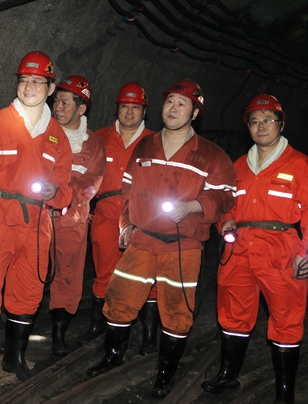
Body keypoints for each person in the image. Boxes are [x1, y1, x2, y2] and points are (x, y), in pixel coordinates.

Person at [87, 79, 236, 399]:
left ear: (195, 113)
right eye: (169, 102)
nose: (173, 108)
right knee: (119, 299)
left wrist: (193, 206)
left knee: (177, 311)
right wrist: (125, 226)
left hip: (183, 246)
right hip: (142, 240)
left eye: (182, 104)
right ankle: (112, 358)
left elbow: (225, 197)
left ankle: (165, 375)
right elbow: (128, 190)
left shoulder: (211, 155)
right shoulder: (145, 147)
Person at [0, 51, 72, 386]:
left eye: (37, 81)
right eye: (24, 80)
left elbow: (65, 183)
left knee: (29, 289)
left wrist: (55, 191)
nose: (30, 86)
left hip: (36, 223)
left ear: (51, 88)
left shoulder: (56, 135)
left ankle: (14, 357)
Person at [202, 94, 308, 403]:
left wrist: (306, 254)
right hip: (239, 252)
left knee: (286, 320)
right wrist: (226, 223)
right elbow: (226, 205)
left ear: (281, 124)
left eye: (268, 120)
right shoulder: (238, 166)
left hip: (282, 252)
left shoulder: (300, 165)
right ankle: (228, 375)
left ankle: (284, 391)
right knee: (233, 315)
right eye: (254, 121)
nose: (261, 126)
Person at [81, 82, 159, 355]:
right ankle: (98, 326)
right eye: (125, 106)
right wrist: (83, 204)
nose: (129, 112)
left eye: (135, 107)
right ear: (117, 108)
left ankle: (149, 334)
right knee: (104, 271)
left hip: (142, 214)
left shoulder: (155, 141)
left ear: (144, 111)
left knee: (146, 275)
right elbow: (84, 172)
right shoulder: (99, 137)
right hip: (106, 211)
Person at [48, 75, 105, 356]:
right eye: (56, 101)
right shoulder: (41, 132)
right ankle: (18, 331)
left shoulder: (93, 144)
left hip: (71, 218)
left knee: (67, 275)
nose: (58, 107)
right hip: (36, 215)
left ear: (81, 109)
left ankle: (58, 335)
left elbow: (92, 181)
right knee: (29, 271)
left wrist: (65, 196)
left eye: (65, 103)